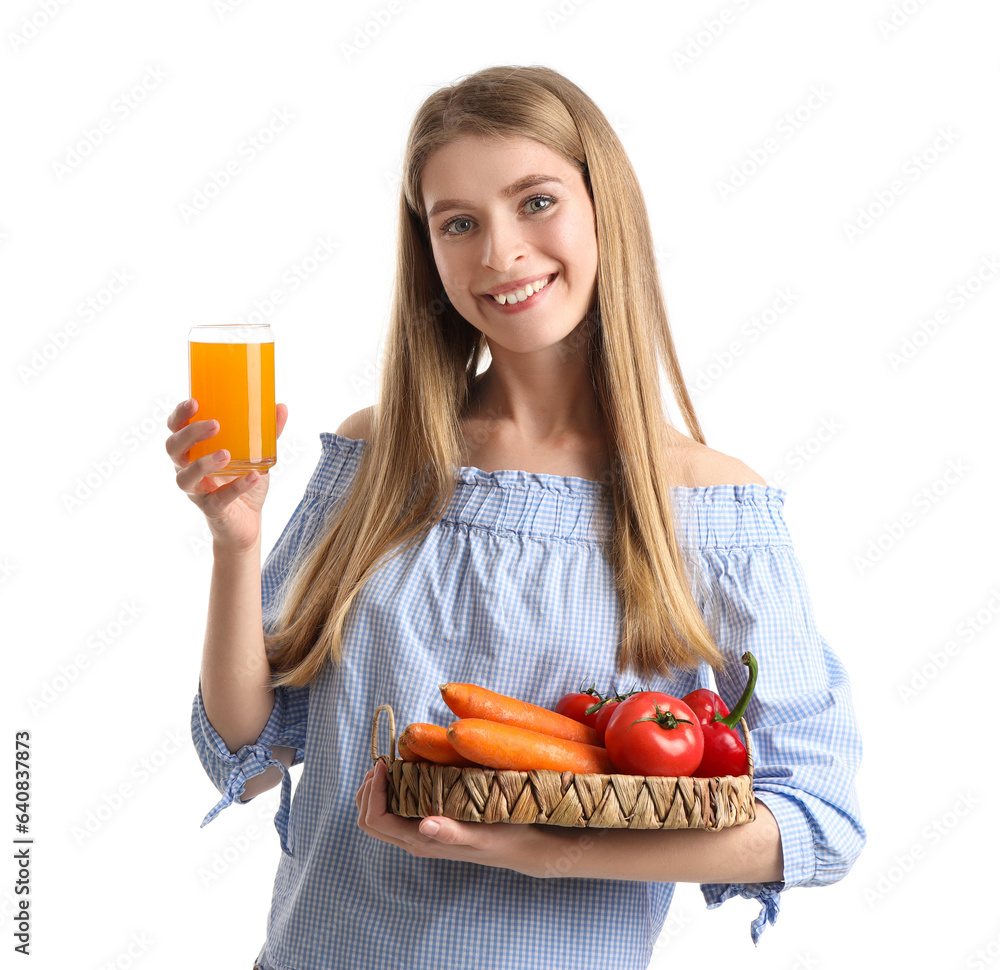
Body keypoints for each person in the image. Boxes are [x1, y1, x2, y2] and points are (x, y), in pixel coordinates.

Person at [166, 65, 866, 970]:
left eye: (535, 201)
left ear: (602, 207)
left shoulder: (708, 506)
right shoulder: (379, 459)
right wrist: (236, 542)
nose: (500, 252)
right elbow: (249, 746)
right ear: (430, 253)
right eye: (458, 223)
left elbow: (820, 818)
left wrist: (549, 853)